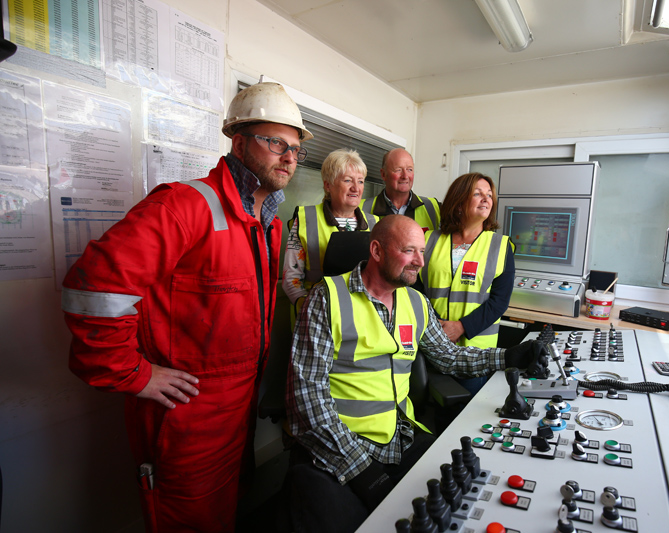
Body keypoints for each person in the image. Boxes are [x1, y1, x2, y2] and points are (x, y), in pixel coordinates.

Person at [60, 80, 313, 532]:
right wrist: (133, 373)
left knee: (230, 511)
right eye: (276, 142)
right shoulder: (185, 206)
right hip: (189, 419)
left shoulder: (268, 224)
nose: (289, 156)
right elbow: (93, 288)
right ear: (239, 142)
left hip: (240, 409)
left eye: (295, 148)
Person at [284, 215, 534, 533]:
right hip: (339, 445)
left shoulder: (416, 302)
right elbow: (306, 395)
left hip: (399, 438)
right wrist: (359, 468)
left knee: (457, 499)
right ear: (377, 251)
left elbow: (450, 357)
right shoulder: (326, 298)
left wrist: (508, 357)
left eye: (422, 252)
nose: (420, 261)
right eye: (409, 251)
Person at [419, 172, 515, 396]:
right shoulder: (428, 240)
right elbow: (416, 290)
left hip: (476, 355)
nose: (486, 199)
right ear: (459, 201)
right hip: (432, 346)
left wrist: (461, 326)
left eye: (489, 195)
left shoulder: (501, 246)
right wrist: (436, 328)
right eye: (478, 193)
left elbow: (499, 302)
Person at [282, 148, 377, 320]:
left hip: (364, 318)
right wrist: (308, 310)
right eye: (348, 180)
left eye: (361, 181)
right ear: (328, 185)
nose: (356, 188)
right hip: (316, 315)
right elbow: (291, 279)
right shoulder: (306, 219)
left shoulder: (375, 224)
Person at [360, 148, 440, 231]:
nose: (405, 176)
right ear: (383, 174)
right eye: (398, 170)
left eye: (409, 170)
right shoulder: (359, 208)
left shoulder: (434, 207)